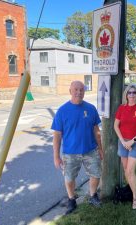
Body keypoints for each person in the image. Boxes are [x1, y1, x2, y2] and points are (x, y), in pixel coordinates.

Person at [51, 80, 104, 215]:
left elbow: (96, 131)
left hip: (91, 151)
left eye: (81, 90)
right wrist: (56, 156)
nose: (78, 92)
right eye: (76, 89)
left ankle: (93, 195)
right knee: (69, 178)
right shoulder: (62, 111)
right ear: (70, 91)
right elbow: (57, 135)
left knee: (96, 174)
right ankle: (71, 199)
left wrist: (101, 148)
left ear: (84, 92)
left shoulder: (91, 108)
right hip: (70, 153)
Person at [114, 84, 136, 209]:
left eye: (134, 92)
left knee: (130, 171)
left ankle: (135, 197)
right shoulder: (121, 108)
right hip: (123, 142)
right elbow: (116, 126)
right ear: (126, 94)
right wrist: (123, 141)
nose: (132, 95)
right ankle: (130, 189)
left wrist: (132, 141)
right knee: (126, 170)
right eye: (129, 92)